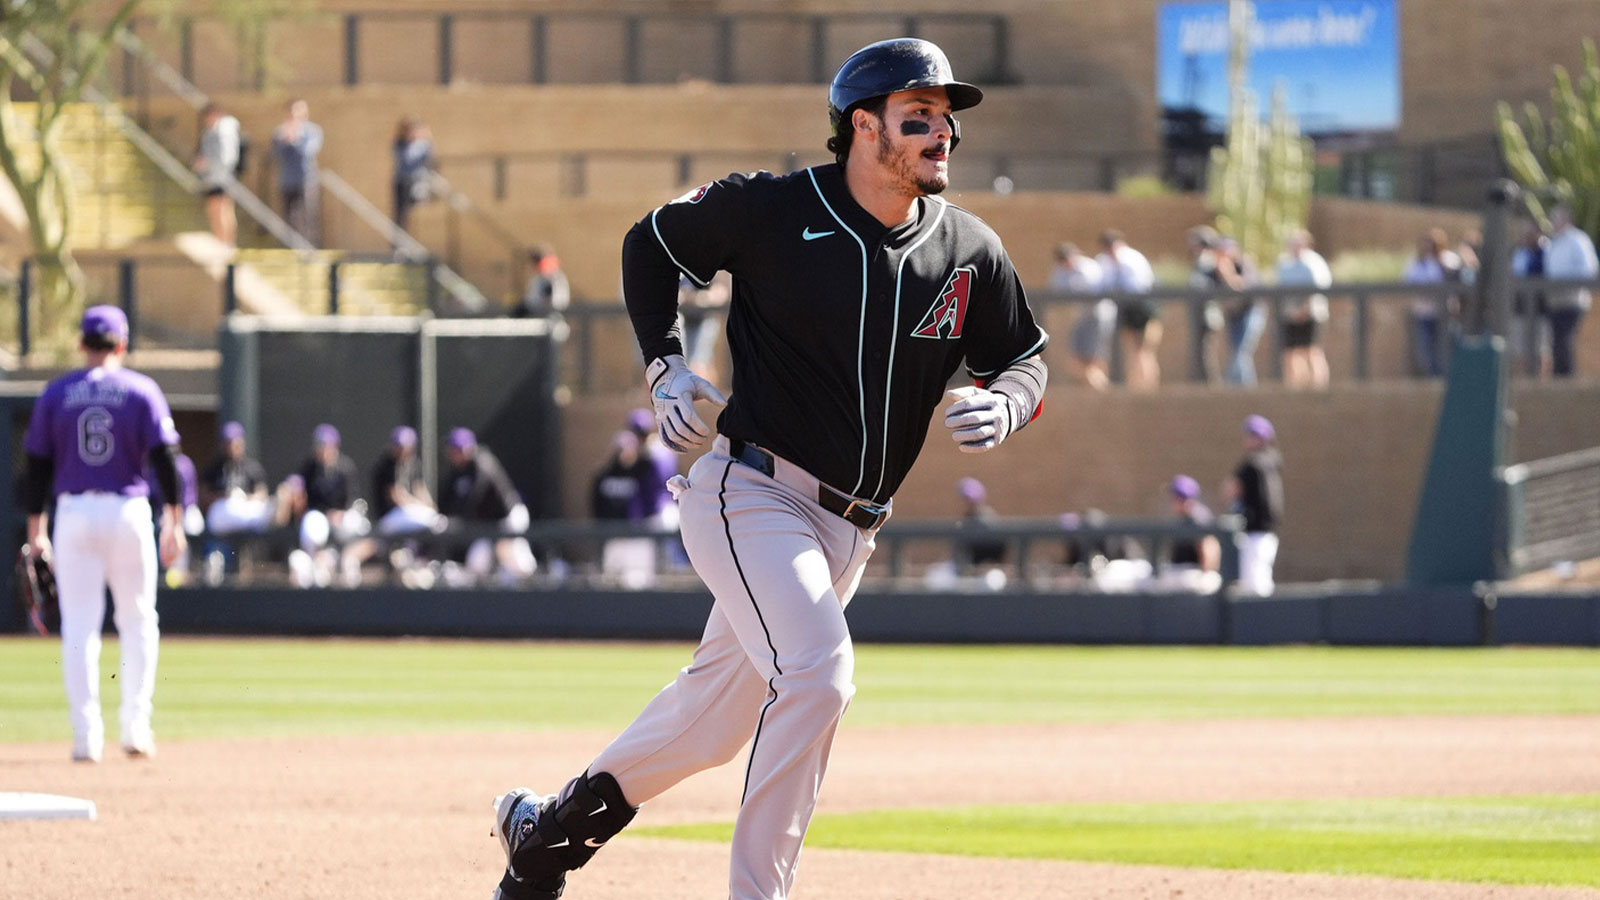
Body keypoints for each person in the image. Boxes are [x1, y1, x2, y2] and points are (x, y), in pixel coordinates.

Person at [484, 37, 1048, 900]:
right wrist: (663, 363)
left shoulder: (969, 250)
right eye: (919, 117)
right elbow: (652, 242)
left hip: (849, 534)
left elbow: (1026, 358)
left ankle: (542, 841)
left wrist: (1008, 400)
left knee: (708, 725)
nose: (943, 135)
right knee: (820, 675)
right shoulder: (778, 209)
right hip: (751, 494)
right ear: (864, 126)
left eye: (946, 120)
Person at [21, 305, 185, 762]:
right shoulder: (140, 390)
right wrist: (175, 519)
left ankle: (85, 736)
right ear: (123, 344)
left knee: (79, 625)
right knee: (137, 621)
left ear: (81, 344)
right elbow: (166, 462)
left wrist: (38, 531)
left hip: (72, 513)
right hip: (128, 512)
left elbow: (37, 468)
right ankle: (135, 726)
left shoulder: (57, 393)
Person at [438, 428, 536, 585]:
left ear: (466, 448)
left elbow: (473, 498)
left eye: (456, 449)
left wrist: (455, 521)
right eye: (451, 450)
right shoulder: (458, 472)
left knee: (513, 558)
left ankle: (537, 583)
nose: (452, 454)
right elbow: (448, 500)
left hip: (509, 517)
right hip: (489, 526)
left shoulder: (482, 463)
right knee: (477, 563)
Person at [285, 424, 367, 588]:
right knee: (312, 526)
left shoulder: (345, 467)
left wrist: (341, 513)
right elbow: (301, 496)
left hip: (342, 516)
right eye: (320, 446)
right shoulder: (309, 467)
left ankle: (346, 560)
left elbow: (353, 498)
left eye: (327, 446)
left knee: (360, 525)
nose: (323, 450)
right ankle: (316, 559)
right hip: (318, 515)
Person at [590, 430, 657, 588]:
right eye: (621, 449)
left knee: (638, 582)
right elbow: (597, 506)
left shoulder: (644, 472)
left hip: (637, 535)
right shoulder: (604, 475)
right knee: (610, 581)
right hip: (613, 536)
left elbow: (650, 503)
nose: (625, 453)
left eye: (629, 449)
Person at [1227, 414, 1283, 596]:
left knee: (1254, 586)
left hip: (1254, 533)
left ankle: (1261, 623)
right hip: (1267, 532)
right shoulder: (1273, 460)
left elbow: (1230, 490)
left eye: (1253, 436)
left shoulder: (1252, 463)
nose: (1249, 439)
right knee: (1260, 581)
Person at [1097, 228, 1158, 390]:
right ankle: (1138, 384)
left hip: (1140, 307)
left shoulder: (1130, 259)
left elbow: (1139, 285)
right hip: (1126, 309)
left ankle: (1146, 385)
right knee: (1133, 349)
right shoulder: (1108, 261)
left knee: (1143, 349)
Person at [1140, 474, 1221, 594]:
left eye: (1174, 498)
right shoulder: (1188, 517)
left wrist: (1205, 576)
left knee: (1149, 583)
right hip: (1181, 572)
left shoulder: (1197, 519)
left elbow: (1209, 550)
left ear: (1182, 499)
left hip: (1190, 573)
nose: (1172, 502)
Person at [1543, 204, 1598, 377]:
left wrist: (1564, 281)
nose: (1552, 223)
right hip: (1555, 298)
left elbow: (1588, 269)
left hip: (1572, 298)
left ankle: (1566, 378)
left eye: (1555, 219)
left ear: (1566, 220)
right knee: (1556, 340)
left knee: (1565, 340)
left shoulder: (1578, 240)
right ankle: (1559, 377)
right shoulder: (1554, 241)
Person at [1050, 241, 1112, 390]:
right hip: (1081, 317)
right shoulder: (1060, 271)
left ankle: (1102, 389)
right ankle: (1100, 387)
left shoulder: (1089, 268)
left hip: (1097, 315)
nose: (1066, 263)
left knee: (1094, 357)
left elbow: (1092, 292)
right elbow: (1055, 289)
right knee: (1074, 359)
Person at [1276, 229, 1333, 390]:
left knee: (1312, 351)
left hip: (1312, 314)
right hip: (1289, 315)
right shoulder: (1284, 264)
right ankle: (1296, 388)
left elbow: (1318, 290)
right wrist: (1292, 311)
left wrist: (1303, 309)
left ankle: (1318, 389)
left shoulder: (1314, 263)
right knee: (1291, 353)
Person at [1402, 228, 1462, 378]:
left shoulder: (1447, 259)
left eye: (1432, 243)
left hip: (1445, 312)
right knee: (1426, 349)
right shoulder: (1416, 262)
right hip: (1423, 312)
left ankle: (1448, 377)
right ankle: (1433, 378)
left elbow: (1455, 278)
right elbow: (1408, 281)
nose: (1428, 246)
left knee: (1446, 348)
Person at [1186, 225, 1242, 383]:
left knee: (1207, 348)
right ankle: (1202, 381)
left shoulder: (1210, 261)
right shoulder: (1201, 261)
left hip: (1210, 310)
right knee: (1200, 349)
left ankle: (1211, 383)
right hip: (1200, 310)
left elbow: (1226, 283)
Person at [271, 98, 323, 246]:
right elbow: (277, 155)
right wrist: (285, 139)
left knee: (307, 216)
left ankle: (309, 247)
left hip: (306, 179)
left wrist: (294, 139)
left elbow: (308, 151)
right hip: (287, 180)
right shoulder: (280, 132)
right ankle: (289, 247)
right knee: (289, 216)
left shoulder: (312, 131)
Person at [1218, 237, 1266, 385]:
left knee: (1242, 351)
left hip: (1252, 311)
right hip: (1234, 316)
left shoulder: (1244, 264)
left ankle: (1244, 389)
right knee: (1237, 351)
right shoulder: (1215, 268)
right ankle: (1239, 387)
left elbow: (1243, 288)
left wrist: (1227, 274)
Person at [192, 102, 240, 246]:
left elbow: (227, 157)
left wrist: (208, 163)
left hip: (222, 178)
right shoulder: (209, 133)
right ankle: (220, 241)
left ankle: (227, 242)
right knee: (214, 210)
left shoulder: (224, 132)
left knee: (223, 209)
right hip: (212, 178)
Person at [1510, 216, 1550, 376]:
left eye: (1530, 232)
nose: (1526, 235)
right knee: (1519, 348)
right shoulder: (1519, 252)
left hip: (1541, 308)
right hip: (1520, 307)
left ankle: (1540, 382)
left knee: (1541, 348)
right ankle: (1523, 383)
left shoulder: (1547, 251)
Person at [680, 270, 732, 382]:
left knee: (699, 364)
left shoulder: (711, 267)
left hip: (706, 318)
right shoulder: (678, 266)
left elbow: (721, 293)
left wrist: (698, 298)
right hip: (683, 319)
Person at [391, 116, 434, 235]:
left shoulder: (423, 144)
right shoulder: (400, 144)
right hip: (402, 181)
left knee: (415, 208)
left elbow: (429, 160)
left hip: (417, 182)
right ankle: (399, 243)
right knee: (400, 213)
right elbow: (405, 160)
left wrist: (426, 134)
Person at [511, 245, 571, 319]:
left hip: (545, 313)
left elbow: (548, 296)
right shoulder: (543, 276)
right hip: (540, 311)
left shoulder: (548, 276)